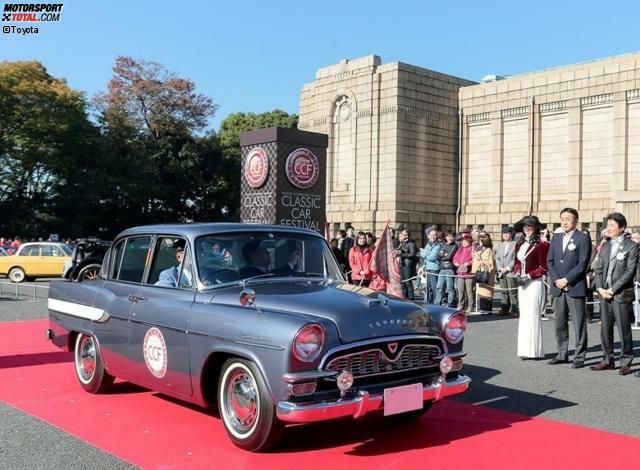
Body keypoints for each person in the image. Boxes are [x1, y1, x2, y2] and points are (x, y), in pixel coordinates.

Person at [591, 212, 639, 375]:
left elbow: (630, 271)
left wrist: (613, 289)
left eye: (612, 225)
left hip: (620, 293)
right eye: (608, 225)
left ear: (622, 228)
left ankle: (625, 361)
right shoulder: (605, 246)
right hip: (604, 293)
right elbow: (598, 270)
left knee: (624, 328)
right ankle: (607, 359)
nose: (608, 228)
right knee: (605, 328)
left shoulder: (631, 246)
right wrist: (600, 288)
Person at [546, 208, 592, 368]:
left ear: (576, 221)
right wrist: (557, 280)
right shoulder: (556, 238)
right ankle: (562, 353)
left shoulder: (583, 238)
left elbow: (583, 263)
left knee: (578, 323)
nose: (565, 222)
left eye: (568, 219)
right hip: (558, 287)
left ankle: (579, 356)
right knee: (559, 322)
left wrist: (566, 280)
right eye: (563, 219)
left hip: (575, 286)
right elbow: (549, 261)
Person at [513, 215, 549, 359]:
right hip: (522, 283)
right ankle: (524, 350)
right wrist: (517, 273)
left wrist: (528, 276)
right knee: (524, 315)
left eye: (530, 226)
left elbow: (543, 267)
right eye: (525, 226)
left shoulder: (542, 245)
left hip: (534, 283)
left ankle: (534, 351)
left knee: (533, 315)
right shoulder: (520, 244)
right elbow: (517, 262)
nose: (527, 229)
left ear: (535, 228)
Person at [495, 227, 518, 316]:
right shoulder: (500, 245)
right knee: (503, 291)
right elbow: (497, 257)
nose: (505, 235)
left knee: (512, 291)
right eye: (504, 233)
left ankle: (514, 310)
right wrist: (500, 267)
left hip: (510, 271)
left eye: (507, 233)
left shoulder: (515, 244)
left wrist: (507, 268)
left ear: (511, 234)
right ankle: (504, 309)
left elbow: (516, 258)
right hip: (501, 271)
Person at [472, 234, 495, 313]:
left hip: (486, 273)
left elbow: (490, 263)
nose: (479, 242)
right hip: (480, 272)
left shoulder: (489, 251)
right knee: (480, 290)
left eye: (480, 241)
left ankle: (487, 309)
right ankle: (481, 307)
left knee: (487, 291)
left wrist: (481, 262)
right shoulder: (480, 250)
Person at [434, 232, 458, 307]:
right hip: (442, 268)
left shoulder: (455, 246)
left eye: (451, 236)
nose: (450, 238)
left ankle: (450, 303)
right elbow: (438, 255)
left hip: (450, 269)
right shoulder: (443, 245)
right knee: (439, 287)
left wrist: (443, 254)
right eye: (448, 236)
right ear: (446, 237)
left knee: (450, 288)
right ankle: (437, 302)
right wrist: (444, 254)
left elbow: (449, 257)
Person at [453, 233, 475, 313]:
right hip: (460, 272)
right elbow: (455, 257)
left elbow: (475, 259)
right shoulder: (460, 249)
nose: (464, 243)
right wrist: (455, 262)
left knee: (469, 291)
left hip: (469, 273)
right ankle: (461, 305)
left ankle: (470, 306)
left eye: (465, 241)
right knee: (460, 291)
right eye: (463, 241)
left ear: (469, 241)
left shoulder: (473, 248)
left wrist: (468, 263)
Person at [420, 229, 441, 303]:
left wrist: (426, 255)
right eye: (431, 235)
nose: (433, 237)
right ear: (428, 236)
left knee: (434, 286)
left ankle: (436, 302)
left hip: (434, 268)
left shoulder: (438, 245)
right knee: (428, 287)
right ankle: (429, 301)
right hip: (428, 267)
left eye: (434, 235)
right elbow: (422, 254)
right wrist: (427, 255)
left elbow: (433, 257)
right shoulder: (428, 244)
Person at [397, 229, 418, 300]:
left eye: (403, 234)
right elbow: (399, 250)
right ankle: (404, 297)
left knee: (408, 282)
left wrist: (402, 254)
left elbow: (412, 254)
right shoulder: (402, 243)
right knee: (402, 282)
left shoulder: (411, 244)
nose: (401, 236)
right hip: (401, 264)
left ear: (406, 235)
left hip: (407, 265)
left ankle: (411, 297)